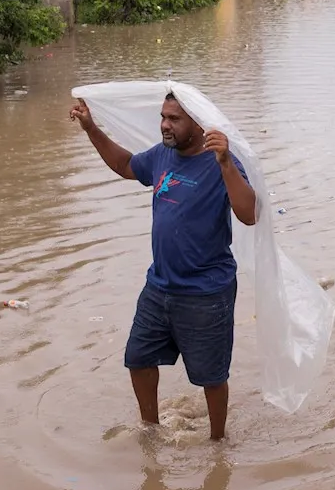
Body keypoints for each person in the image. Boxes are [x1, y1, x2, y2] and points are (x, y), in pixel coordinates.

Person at [70, 93, 256, 440]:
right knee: (138, 358)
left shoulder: (220, 163)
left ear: (199, 125)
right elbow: (126, 166)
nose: (165, 125)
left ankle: (218, 443)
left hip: (206, 292)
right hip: (160, 286)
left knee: (211, 377)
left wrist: (227, 163)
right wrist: (91, 128)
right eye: (163, 117)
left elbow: (248, 214)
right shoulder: (162, 155)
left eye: (174, 119)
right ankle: (150, 430)